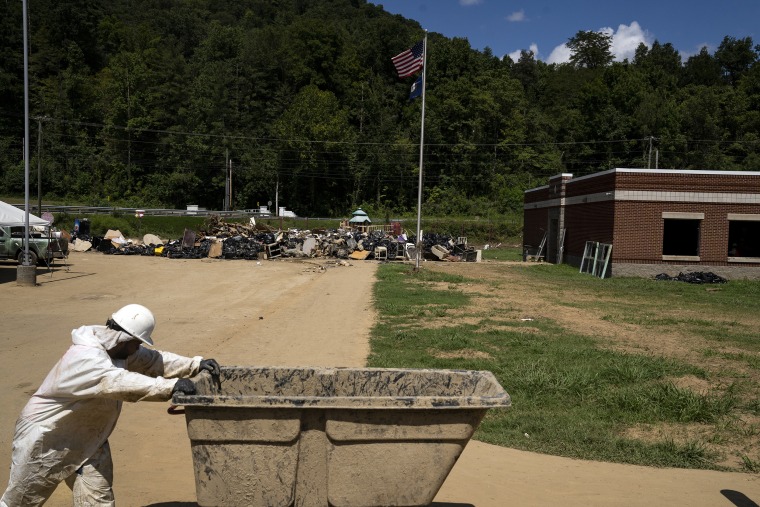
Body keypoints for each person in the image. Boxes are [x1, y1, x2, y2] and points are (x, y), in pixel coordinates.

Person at [0, 304, 220, 507]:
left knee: (98, 500)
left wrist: (195, 364)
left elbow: (154, 360)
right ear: (124, 339)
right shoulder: (85, 358)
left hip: (89, 439)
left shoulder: (118, 350)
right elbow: (117, 382)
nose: (138, 348)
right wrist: (170, 387)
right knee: (21, 501)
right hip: (47, 439)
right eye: (137, 342)